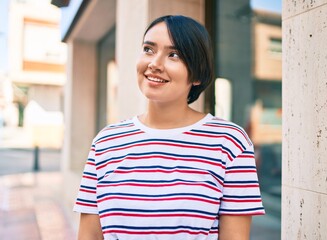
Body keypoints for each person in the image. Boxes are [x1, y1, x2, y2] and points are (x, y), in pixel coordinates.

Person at [74, 15, 265, 240]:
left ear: (196, 73)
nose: (154, 63)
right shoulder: (106, 141)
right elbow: (89, 236)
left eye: (173, 55)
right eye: (148, 49)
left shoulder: (230, 142)